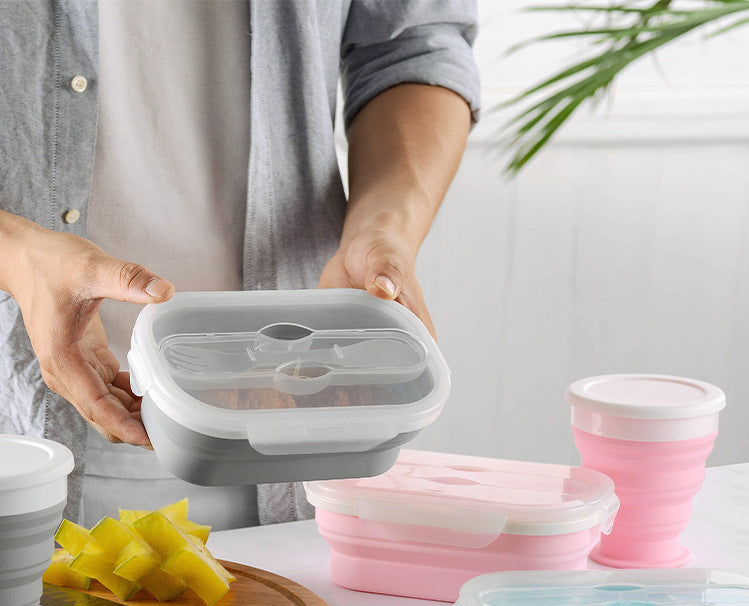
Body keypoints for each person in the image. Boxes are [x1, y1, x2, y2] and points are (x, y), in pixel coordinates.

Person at [0, 0, 480, 530]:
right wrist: (16, 254)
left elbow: (413, 43)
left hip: (301, 435)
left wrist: (384, 228)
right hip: (16, 430)